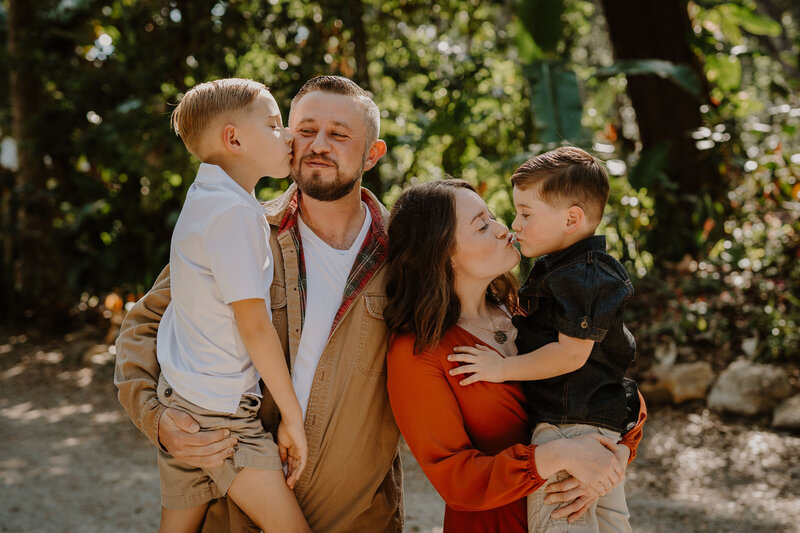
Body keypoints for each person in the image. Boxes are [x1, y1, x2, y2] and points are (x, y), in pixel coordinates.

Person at [115, 75, 402, 533]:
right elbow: (143, 327)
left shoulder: (406, 255)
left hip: (358, 515)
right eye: (304, 129)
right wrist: (158, 419)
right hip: (236, 514)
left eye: (339, 134)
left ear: (372, 153)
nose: (316, 144)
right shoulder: (241, 226)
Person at [383, 179, 646, 533]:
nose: (503, 228)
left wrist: (612, 455)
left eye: (492, 216)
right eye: (482, 225)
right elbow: (454, 478)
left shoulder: (525, 310)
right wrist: (559, 456)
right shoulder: (418, 353)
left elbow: (606, 383)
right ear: (442, 254)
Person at [447, 147, 637, 532]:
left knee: (561, 521)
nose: (514, 224)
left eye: (526, 214)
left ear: (572, 219)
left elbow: (570, 356)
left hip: (569, 427)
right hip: (596, 429)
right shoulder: (564, 270)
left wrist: (500, 369)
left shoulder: (583, 276)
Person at [150, 78, 309, 533]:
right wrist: (292, 417)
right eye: (276, 125)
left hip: (184, 397)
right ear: (234, 138)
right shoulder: (233, 214)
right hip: (221, 418)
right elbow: (254, 327)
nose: (289, 136)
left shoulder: (204, 200)